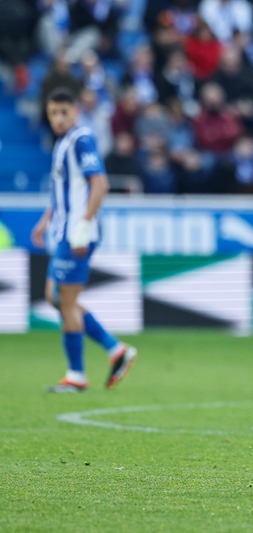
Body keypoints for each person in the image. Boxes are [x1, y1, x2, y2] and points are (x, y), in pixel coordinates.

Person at [31, 88, 137, 393]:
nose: (59, 118)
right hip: (64, 230)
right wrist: (46, 220)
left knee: (65, 301)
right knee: (56, 296)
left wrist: (84, 224)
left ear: (75, 111)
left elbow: (100, 184)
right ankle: (115, 349)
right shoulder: (63, 143)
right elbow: (66, 192)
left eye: (64, 112)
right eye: (53, 113)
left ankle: (77, 375)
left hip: (77, 234)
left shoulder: (81, 140)